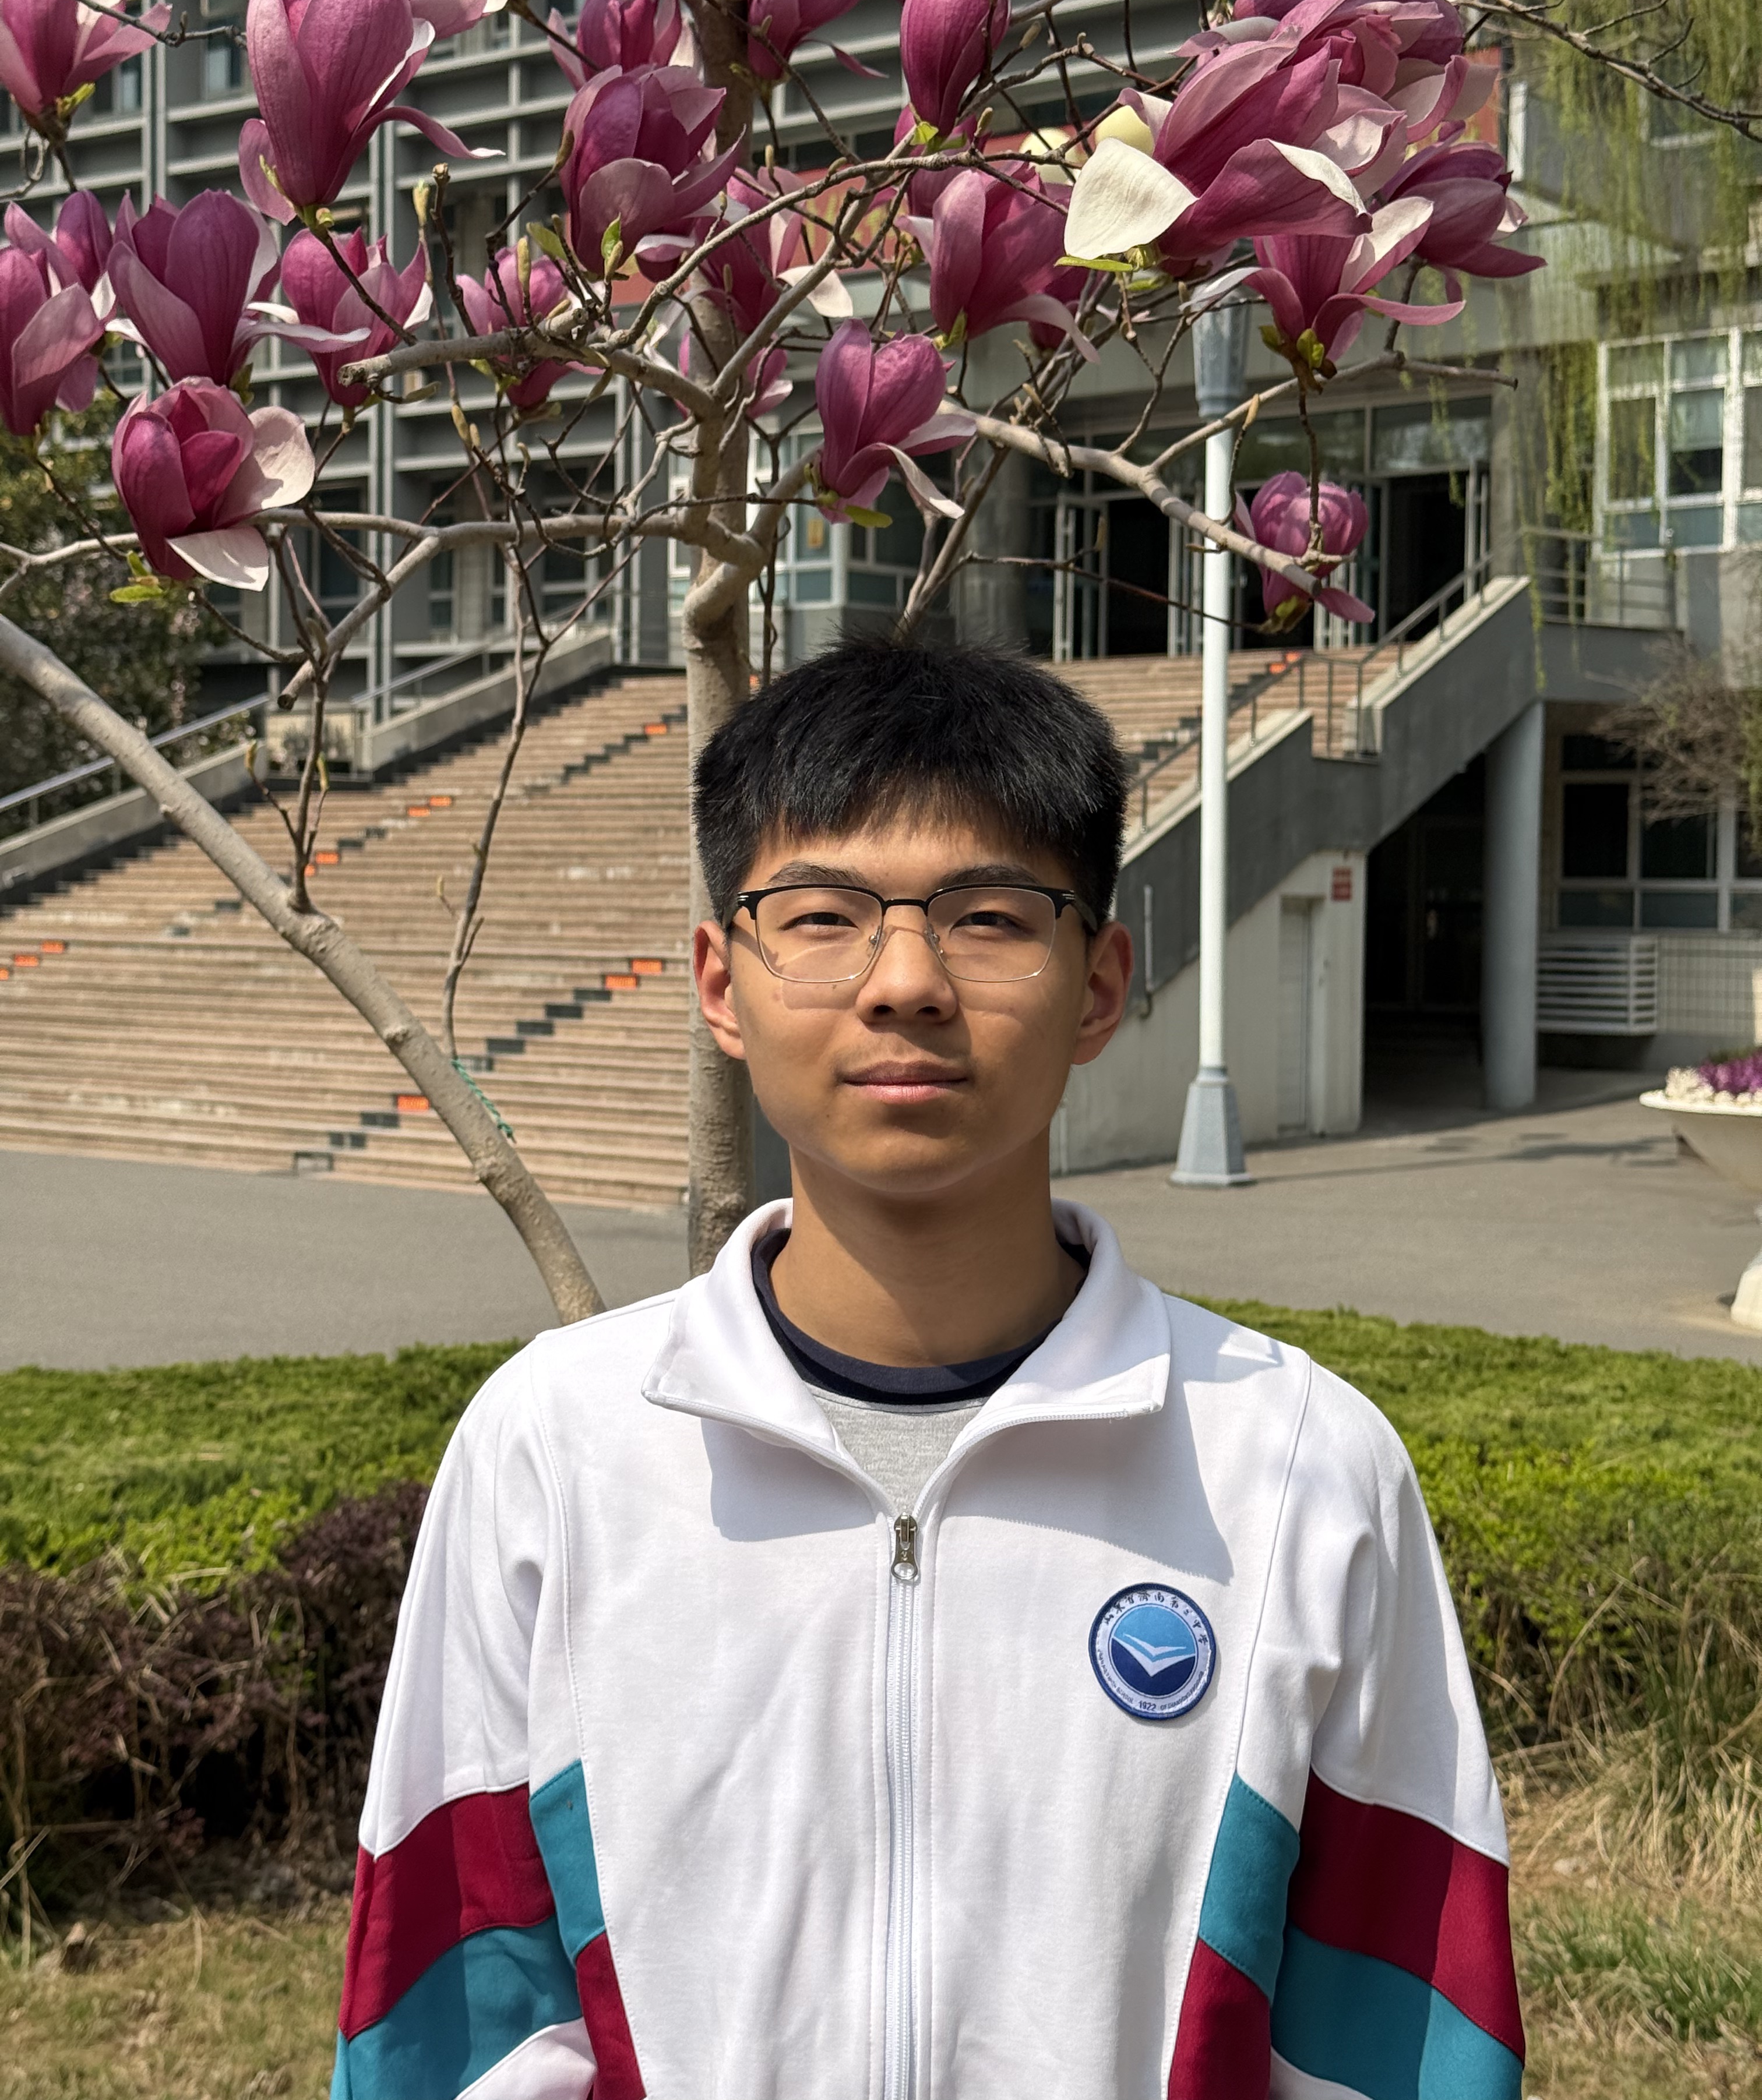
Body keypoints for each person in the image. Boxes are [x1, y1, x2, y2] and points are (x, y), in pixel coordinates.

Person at [330, 638, 1523, 2100]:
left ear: (1101, 987)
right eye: (822, 916)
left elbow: (1394, 2038)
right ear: (720, 984)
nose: (905, 983)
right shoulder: (553, 1447)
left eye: (989, 918)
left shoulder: (1298, 1469)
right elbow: (459, 2022)